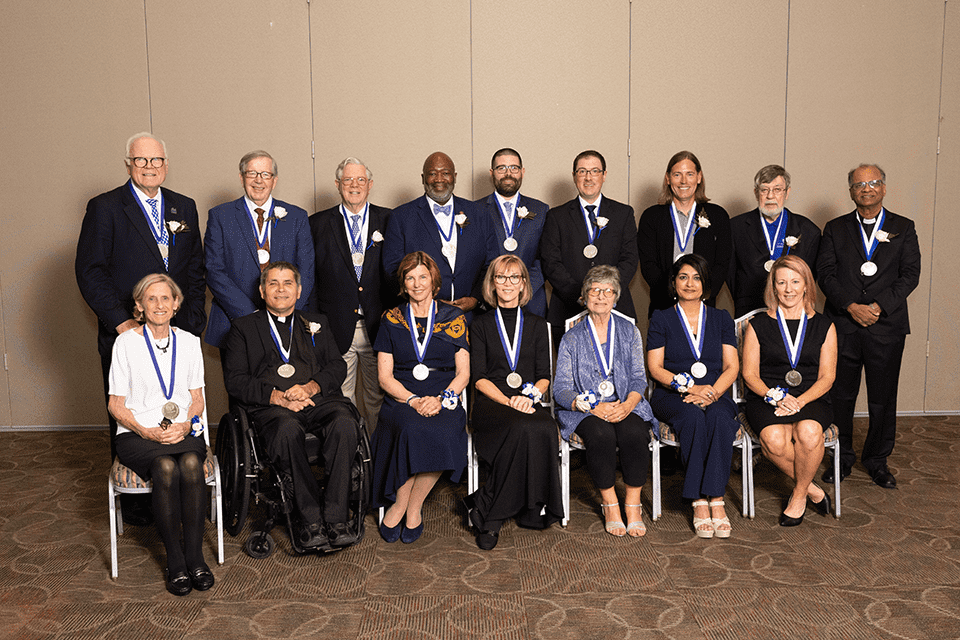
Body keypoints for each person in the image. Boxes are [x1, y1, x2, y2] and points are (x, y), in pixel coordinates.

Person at [77, 132, 206, 525]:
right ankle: (139, 503)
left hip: (177, 331)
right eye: (141, 161)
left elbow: (195, 271)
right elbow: (90, 271)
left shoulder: (185, 206)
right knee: (132, 412)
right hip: (128, 333)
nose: (150, 167)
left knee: (181, 409)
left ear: (166, 164)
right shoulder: (105, 207)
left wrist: (194, 320)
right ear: (128, 164)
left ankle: (185, 490)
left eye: (156, 161)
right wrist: (121, 323)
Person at [223, 262, 361, 550]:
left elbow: (337, 367)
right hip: (272, 408)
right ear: (262, 291)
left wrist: (311, 387)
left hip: (318, 401)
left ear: (299, 291)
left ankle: (336, 518)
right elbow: (235, 381)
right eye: (273, 283)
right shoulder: (243, 328)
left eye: (288, 283)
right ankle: (309, 519)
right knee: (286, 430)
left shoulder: (317, 322)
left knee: (345, 423)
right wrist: (278, 396)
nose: (281, 289)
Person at [817, 164, 921, 489]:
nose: (867, 188)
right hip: (843, 326)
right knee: (841, 396)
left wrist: (878, 307)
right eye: (859, 184)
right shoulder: (834, 229)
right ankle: (841, 457)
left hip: (886, 327)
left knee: (882, 398)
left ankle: (877, 460)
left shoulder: (904, 227)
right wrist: (851, 306)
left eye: (873, 182)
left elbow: (910, 275)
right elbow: (825, 274)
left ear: (884, 188)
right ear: (850, 191)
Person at [107, 274, 212, 596]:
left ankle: (196, 558)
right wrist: (145, 431)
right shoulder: (125, 343)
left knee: (192, 464)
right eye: (151, 299)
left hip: (182, 429)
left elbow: (197, 398)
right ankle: (176, 560)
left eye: (165, 298)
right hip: (137, 433)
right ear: (139, 306)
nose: (159, 305)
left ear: (176, 303)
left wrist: (185, 423)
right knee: (165, 467)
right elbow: (115, 404)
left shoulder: (190, 341)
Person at [465, 255, 564, 550]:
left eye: (514, 278)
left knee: (545, 427)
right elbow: (479, 378)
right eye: (501, 277)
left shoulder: (537, 325)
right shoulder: (480, 324)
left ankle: (485, 504)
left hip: (528, 399)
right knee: (521, 427)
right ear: (492, 284)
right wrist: (510, 402)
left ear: (524, 284)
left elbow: (545, 376)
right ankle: (494, 517)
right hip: (491, 404)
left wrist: (529, 396)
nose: (508, 284)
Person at [372, 252, 470, 544]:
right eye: (410, 277)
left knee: (444, 429)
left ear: (434, 281)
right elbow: (384, 377)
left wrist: (442, 398)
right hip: (402, 396)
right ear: (403, 282)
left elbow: (463, 373)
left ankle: (412, 507)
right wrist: (414, 400)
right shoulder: (391, 319)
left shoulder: (454, 317)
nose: (417, 284)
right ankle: (400, 503)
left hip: (444, 394)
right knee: (409, 428)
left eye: (422, 277)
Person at [554, 265, 657, 537]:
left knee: (635, 433)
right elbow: (561, 389)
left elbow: (638, 378)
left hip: (626, 403)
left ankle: (632, 504)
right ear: (584, 296)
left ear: (616, 297)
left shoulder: (629, 331)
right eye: (594, 290)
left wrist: (627, 405)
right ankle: (610, 504)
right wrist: (592, 406)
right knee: (600, 436)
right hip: (587, 411)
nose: (600, 296)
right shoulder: (571, 337)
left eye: (607, 291)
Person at [646, 254, 741, 538]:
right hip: (672, 394)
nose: (690, 283)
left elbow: (731, 366)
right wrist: (689, 389)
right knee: (692, 418)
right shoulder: (661, 318)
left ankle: (716, 498)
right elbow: (654, 367)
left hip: (715, 392)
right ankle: (699, 501)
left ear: (706, 283)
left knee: (722, 420)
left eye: (697, 277)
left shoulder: (721, 318)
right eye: (683, 277)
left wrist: (711, 393)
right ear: (673, 283)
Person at [742, 255, 837, 526]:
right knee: (774, 439)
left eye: (795, 281)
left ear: (807, 285)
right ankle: (813, 489)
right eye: (781, 282)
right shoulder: (758, 325)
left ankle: (798, 495)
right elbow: (750, 374)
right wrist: (777, 396)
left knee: (808, 432)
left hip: (812, 395)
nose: (788, 289)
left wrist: (799, 401)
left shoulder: (824, 325)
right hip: (767, 395)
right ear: (773, 287)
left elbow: (828, 377)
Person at [204, 150, 315, 353]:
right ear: (241, 177)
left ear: (274, 180)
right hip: (235, 322)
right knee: (241, 385)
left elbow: (306, 271)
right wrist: (251, 317)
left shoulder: (297, 217)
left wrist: (285, 314)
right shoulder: (220, 216)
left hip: (288, 323)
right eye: (252, 173)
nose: (258, 180)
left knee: (288, 384)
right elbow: (214, 271)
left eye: (265, 174)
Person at [309, 157, 390, 427]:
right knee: (340, 399)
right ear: (337, 184)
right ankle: (350, 460)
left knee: (377, 399)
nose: (354, 185)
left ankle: (376, 462)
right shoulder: (317, 224)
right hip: (335, 328)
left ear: (370, 184)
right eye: (347, 180)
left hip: (379, 326)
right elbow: (312, 280)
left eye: (360, 180)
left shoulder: (389, 220)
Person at [382, 152, 498, 324]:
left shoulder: (480, 214)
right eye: (432, 173)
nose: (439, 179)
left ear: (454, 177)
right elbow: (392, 269)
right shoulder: (401, 217)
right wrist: (425, 299)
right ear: (423, 178)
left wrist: (476, 299)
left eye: (445, 173)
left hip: (472, 318)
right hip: (421, 318)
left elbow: (492, 264)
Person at [540, 150, 639, 334]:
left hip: (615, 309)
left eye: (594, 171)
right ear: (574, 176)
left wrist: (607, 294)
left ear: (604, 175)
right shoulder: (556, 216)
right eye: (582, 171)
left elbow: (630, 259)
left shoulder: (623, 214)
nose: (588, 178)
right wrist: (581, 296)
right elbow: (551, 262)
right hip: (568, 309)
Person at [637, 150, 731, 317]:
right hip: (663, 308)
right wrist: (674, 293)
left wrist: (701, 294)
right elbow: (648, 265)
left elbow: (722, 263)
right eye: (677, 175)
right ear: (668, 178)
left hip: (705, 309)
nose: (683, 181)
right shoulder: (651, 217)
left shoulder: (718, 216)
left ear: (699, 177)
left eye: (689, 174)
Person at [729, 165, 821, 318]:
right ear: (756, 193)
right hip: (749, 311)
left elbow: (810, 278)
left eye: (777, 189)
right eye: (764, 190)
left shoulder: (808, 231)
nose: (770, 196)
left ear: (787, 193)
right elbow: (731, 275)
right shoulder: (735, 227)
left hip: (793, 312)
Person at [474, 148, 550, 317]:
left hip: (531, 300)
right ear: (492, 173)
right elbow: (474, 259)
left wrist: (523, 288)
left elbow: (545, 258)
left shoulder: (541, 210)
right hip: (489, 301)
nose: (508, 173)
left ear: (522, 172)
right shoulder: (475, 210)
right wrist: (496, 289)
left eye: (514, 168)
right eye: (501, 168)